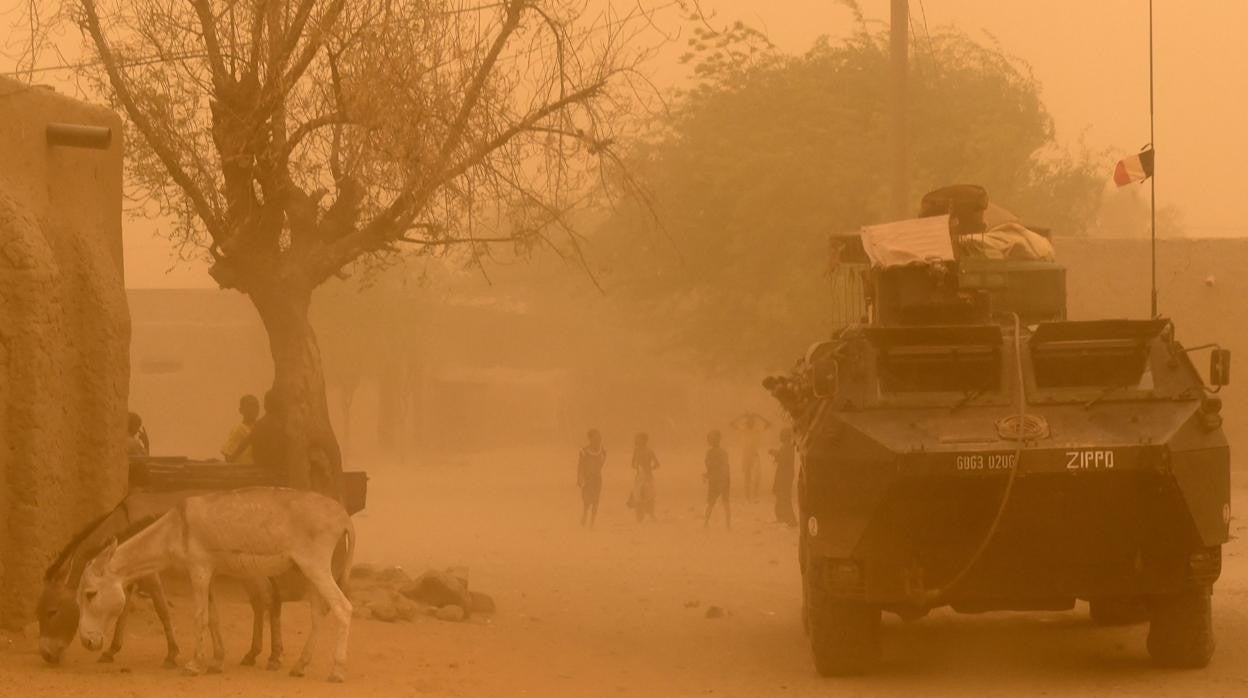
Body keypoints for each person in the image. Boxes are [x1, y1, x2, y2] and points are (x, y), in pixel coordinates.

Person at [730, 412, 773, 503]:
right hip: (746, 454)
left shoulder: (757, 430)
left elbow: (769, 424)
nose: (750, 423)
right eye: (749, 421)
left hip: (754, 454)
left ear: (753, 422)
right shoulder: (743, 429)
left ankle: (754, 494)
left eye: (752, 421)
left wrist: (759, 416)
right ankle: (748, 496)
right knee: (747, 475)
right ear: (746, 422)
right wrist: (742, 416)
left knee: (757, 475)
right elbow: (731, 424)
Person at [248, 390, 288, 481]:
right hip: (277, 470)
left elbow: (256, 453)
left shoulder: (258, 424)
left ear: (265, 405)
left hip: (260, 465)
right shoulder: (282, 425)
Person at [577, 429, 607, 528]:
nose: (598, 439)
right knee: (586, 500)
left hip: (597, 479)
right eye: (596, 437)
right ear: (590, 439)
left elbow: (602, 463)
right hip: (587, 479)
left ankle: (592, 523)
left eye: (599, 437)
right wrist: (579, 478)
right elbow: (580, 465)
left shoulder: (602, 451)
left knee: (596, 500)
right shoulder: (584, 451)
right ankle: (585, 513)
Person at [627, 433, 660, 522]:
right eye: (637, 439)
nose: (637, 441)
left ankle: (650, 513)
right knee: (639, 495)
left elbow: (657, 464)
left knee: (649, 495)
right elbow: (632, 464)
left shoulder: (650, 451)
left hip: (648, 477)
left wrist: (650, 468)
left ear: (644, 440)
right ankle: (640, 516)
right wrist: (638, 467)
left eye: (639, 439)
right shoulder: (636, 451)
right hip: (639, 477)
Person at [770, 427, 798, 526]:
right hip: (784, 475)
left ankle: (791, 521)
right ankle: (782, 517)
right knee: (780, 496)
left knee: (785, 498)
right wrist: (776, 454)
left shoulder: (787, 447)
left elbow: (783, 459)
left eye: (781, 435)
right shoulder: (787, 446)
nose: (780, 436)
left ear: (785, 436)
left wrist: (775, 453)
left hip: (784, 476)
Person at [703, 430, 731, 529]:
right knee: (725, 503)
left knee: (711, 503)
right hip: (722, 480)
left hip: (715, 480)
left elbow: (710, 468)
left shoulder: (709, 454)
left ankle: (706, 523)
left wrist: (707, 475)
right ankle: (728, 525)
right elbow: (725, 468)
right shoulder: (723, 453)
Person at [222, 394, 261, 463]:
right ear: (241, 410)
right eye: (249, 406)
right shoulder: (239, 429)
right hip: (244, 470)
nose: (252, 409)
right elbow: (227, 455)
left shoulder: (260, 428)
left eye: (255, 406)